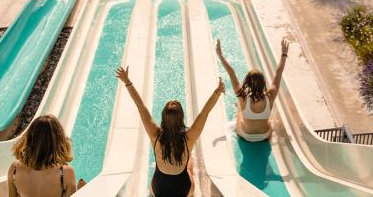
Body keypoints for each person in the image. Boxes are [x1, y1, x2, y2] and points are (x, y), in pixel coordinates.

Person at [115, 66, 225, 197]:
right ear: (181, 118)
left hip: (158, 189)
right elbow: (205, 112)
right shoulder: (189, 137)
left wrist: (127, 81)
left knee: (163, 168)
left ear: (163, 118)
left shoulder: (155, 134)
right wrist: (217, 92)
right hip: (183, 190)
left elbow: (140, 105)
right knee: (190, 164)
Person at [216, 38, 289, 142]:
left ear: (248, 83)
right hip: (265, 135)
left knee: (240, 108)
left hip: (246, 135)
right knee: (271, 120)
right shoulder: (270, 96)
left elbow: (231, 73)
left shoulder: (242, 97)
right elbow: (279, 73)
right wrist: (284, 54)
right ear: (263, 83)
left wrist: (220, 55)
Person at [8, 114, 85, 197]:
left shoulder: (14, 169)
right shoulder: (65, 173)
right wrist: (82, 190)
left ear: (29, 139)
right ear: (59, 141)